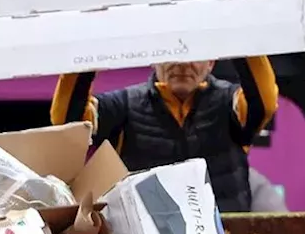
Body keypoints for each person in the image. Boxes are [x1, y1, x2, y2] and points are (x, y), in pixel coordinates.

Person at [50, 57, 278, 213]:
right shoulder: (125, 105)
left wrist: (245, 42)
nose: (182, 64)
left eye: (193, 53)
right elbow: (69, 122)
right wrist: (86, 57)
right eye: (171, 52)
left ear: (211, 62)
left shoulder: (230, 102)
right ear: (154, 59)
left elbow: (264, 104)